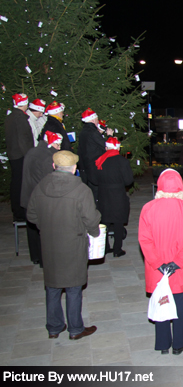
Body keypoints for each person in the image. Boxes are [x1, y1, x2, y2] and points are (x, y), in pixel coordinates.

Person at [27, 150, 101, 340]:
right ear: (74, 168)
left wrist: (46, 226)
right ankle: (76, 328)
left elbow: (31, 215)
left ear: (54, 166)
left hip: (49, 243)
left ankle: (54, 327)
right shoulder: (81, 190)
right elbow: (91, 219)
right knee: (74, 287)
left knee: (52, 286)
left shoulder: (40, 186)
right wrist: (95, 233)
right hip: (73, 242)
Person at [139, 169, 183, 354]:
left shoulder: (148, 208)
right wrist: (177, 263)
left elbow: (145, 240)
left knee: (161, 301)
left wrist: (159, 263)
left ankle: (163, 343)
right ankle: (178, 343)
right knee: (179, 306)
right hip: (180, 269)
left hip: (156, 269)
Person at [21, 131, 62, 267]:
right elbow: (49, 181)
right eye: (58, 144)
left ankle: (36, 256)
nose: (59, 147)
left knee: (32, 229)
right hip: (41, 199)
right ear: (52, 143)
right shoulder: (48, 158)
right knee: (44, 231)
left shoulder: (32, 151)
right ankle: (45, 260)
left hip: (28, 196)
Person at [94, 137, 134, 258]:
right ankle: (117, 249)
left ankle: (105, 248)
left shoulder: (100, 160)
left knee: (104, 221)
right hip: (117, 194)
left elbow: (95, 179)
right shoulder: (123, 161)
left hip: (103, 194)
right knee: (118, 222)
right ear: (117, 148)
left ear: (106, 148)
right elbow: (128, 181)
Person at [6, 93, 34, 221]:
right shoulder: (21, 118)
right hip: (21, 155)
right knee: (20, 184)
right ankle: (20, 211)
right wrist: (29, 156)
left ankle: (16, 210)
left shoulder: (11, 116)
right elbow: (24, 140)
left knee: (16, 182)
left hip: (13, 154)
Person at [78, 107, 113, 199]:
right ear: (93, 119)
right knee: (96, 192)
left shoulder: (83, 131)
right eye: (97, 118)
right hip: (95, 166)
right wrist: (109, 136)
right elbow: (106, 146)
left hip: (86, 166)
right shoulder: (93, 132)